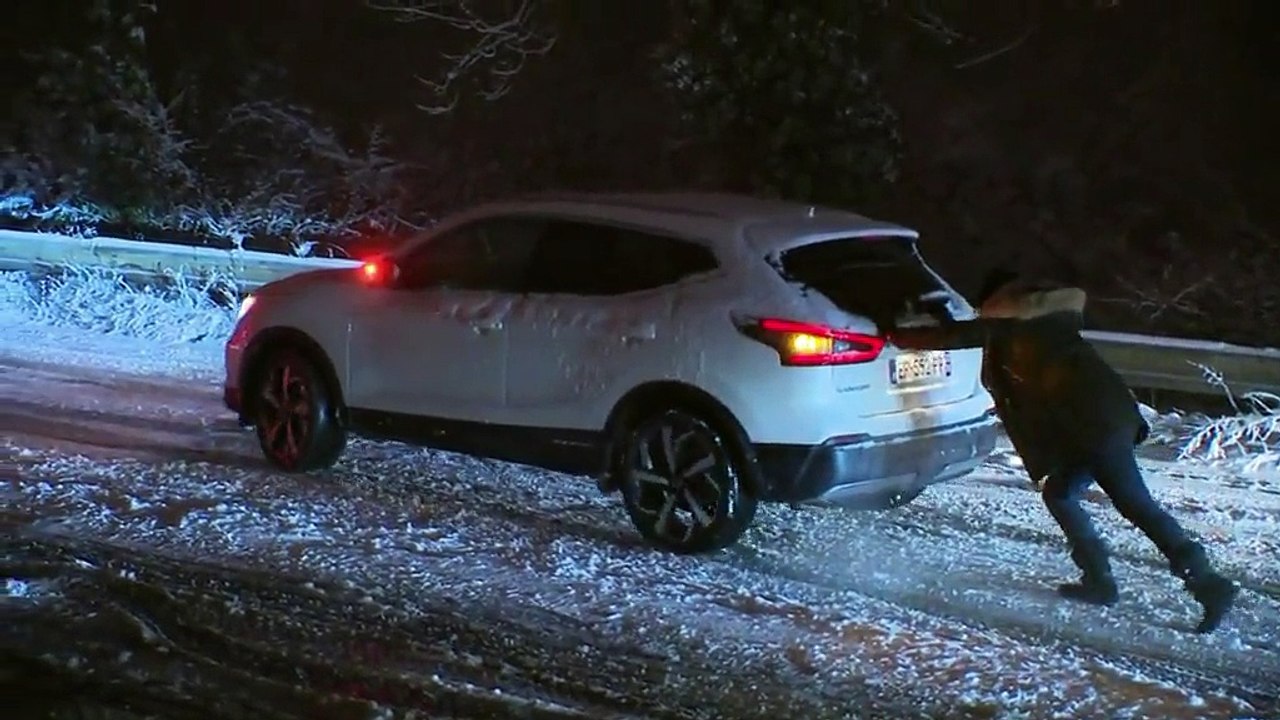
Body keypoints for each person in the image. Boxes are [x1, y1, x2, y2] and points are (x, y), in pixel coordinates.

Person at [884, 268, 1237, 633]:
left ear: (998, 303)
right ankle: (1098, 581)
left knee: (1135, 504)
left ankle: (1209, 586)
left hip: (1097, 427)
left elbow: (952, 336)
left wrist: (890, 333)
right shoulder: (1045, 320)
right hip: (1096, 421)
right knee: (1061, 493)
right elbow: (966, 334)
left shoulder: (1014, 326)